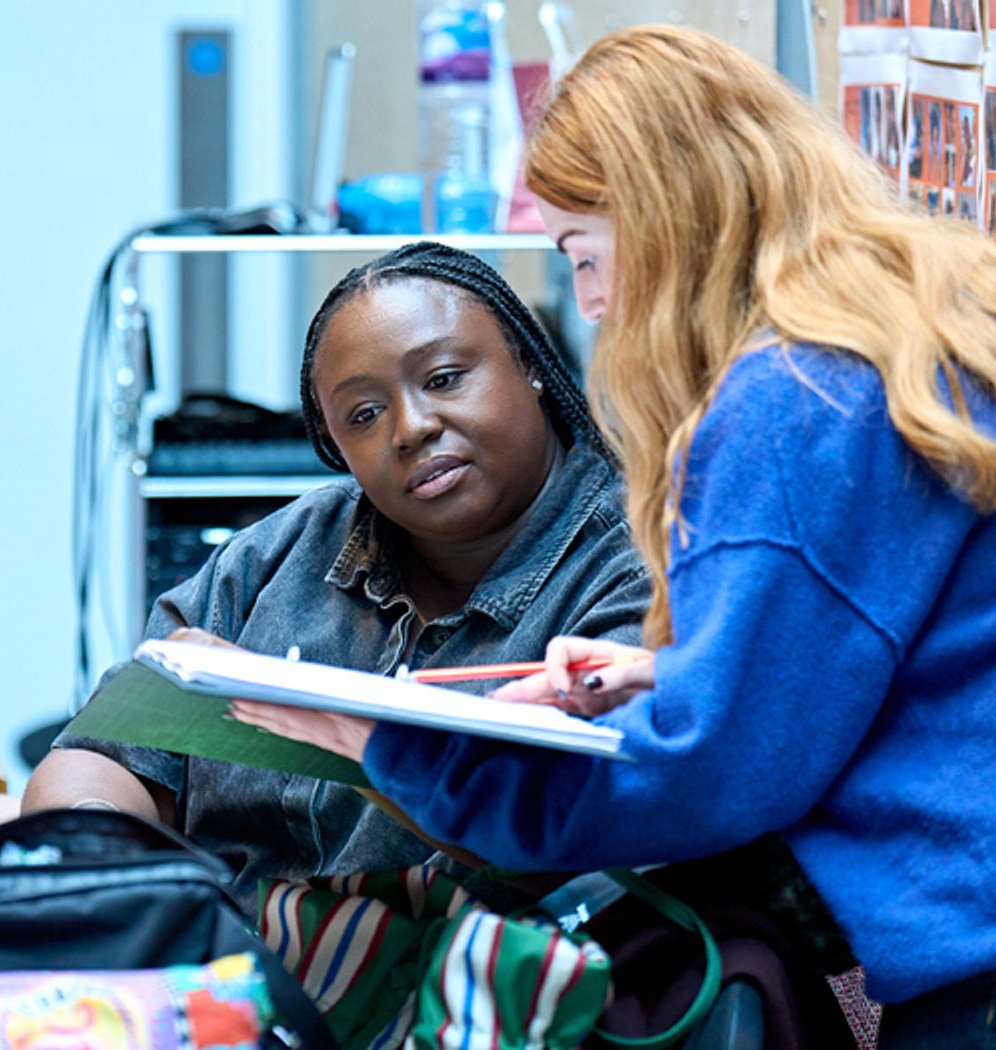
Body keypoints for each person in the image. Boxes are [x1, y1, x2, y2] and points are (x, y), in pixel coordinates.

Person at [229, 26, 996, 1046]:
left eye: (584, 256)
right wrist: (670, 671)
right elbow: (877, 648)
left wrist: (392, 748)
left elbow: (705, 772)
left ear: (668, 216)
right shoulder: (920, 330)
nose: (589, 304)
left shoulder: (793, 397)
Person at [23, 242, 650, 911]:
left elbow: (571, 834)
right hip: (228, 975)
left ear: (527, 361)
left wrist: (331, 730)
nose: (411, 428)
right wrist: (92, 855)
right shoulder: (279, 556)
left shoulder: (637, 568)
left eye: (443, 378)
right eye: (364, 415)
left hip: (471, 989)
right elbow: (105, 754)